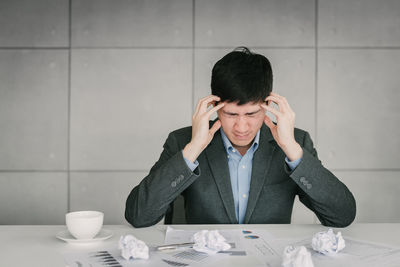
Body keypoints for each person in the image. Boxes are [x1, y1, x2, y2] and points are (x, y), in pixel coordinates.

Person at [125, 47, 356, 228]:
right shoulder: (183, 141)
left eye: (252, 114)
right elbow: (138, 216)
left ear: (268, 106)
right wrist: (193, 149)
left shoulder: (295, 143)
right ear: (214, 107)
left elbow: (342, 215)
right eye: (230, 114)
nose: (242, 126)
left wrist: (292, 150)